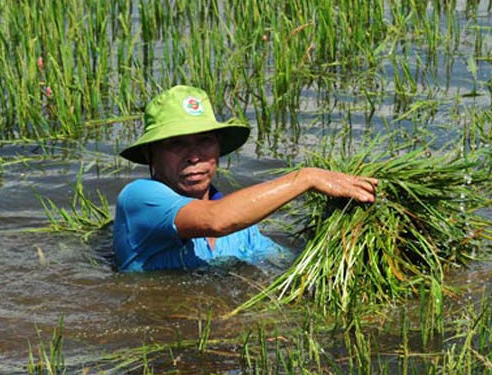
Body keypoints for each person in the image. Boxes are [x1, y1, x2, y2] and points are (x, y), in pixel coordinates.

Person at [113, 85, 378, 272]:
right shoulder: (139, 198)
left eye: (204, 141)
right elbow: (215, 220)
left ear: (218, 148)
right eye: (176, 144)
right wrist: (306, 177)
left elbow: (286, 265)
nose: (193, 156)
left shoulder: (243, 227)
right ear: (151, 155)